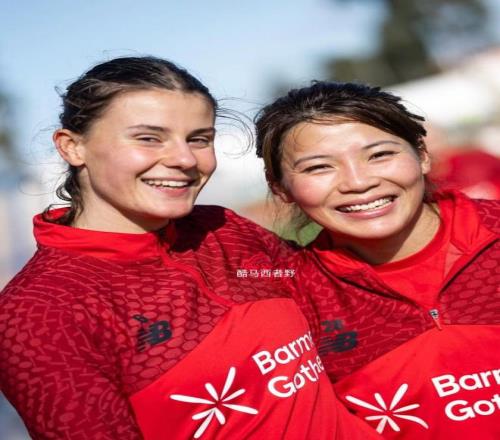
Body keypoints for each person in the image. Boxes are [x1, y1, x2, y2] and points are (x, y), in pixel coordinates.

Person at [0, 58, 380, 440]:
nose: (184, 160)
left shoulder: (223, 230)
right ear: (72, 147)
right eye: (149, 138)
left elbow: (329, 288)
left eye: (199, 139)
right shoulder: (39, 313)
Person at [255, 81, 500, 439]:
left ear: (422, 154)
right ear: (280, 187)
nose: (358, 182)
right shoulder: (289, 296)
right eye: (319, 167)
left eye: (379, 155)